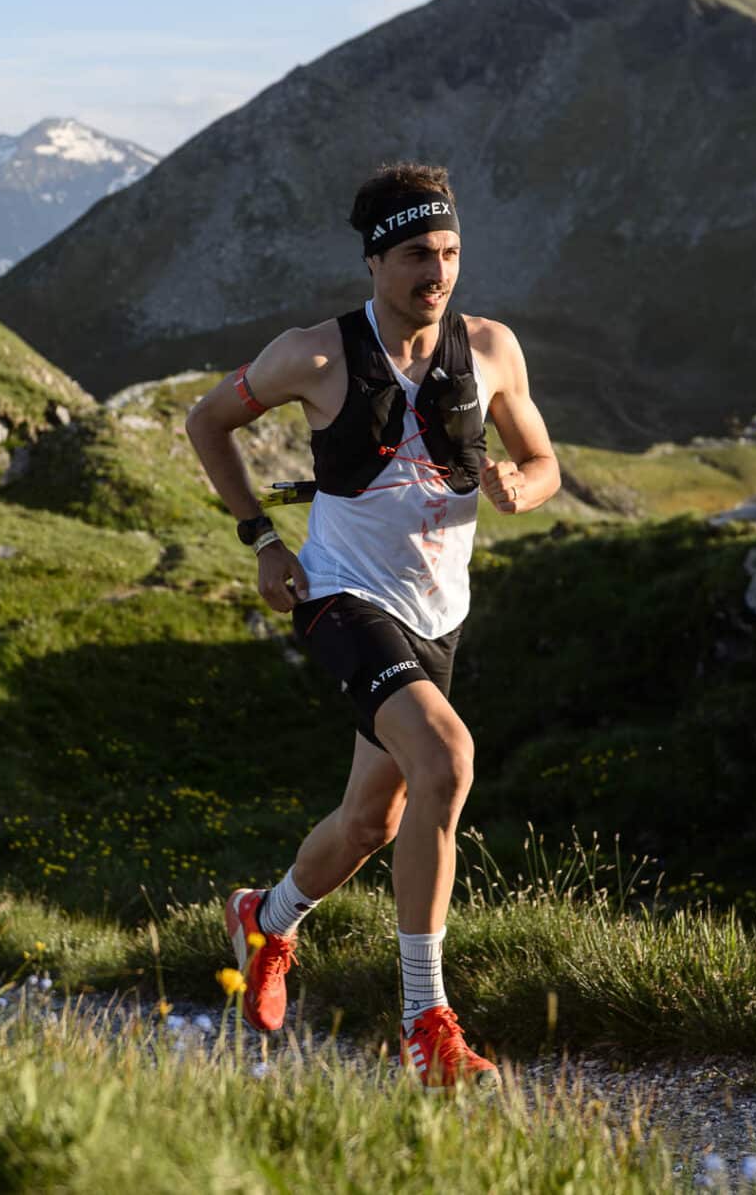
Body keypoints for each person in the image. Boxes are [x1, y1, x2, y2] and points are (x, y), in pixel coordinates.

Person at [183, 161, 560, 1088]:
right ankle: (424, 1023)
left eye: (451, 252)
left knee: (370, 821)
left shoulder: (493, 349)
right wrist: (263, 540)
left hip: (440, 615)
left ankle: (264, 919)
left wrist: (525, 483)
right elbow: (206, 422)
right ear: (374, 261)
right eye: (417, 257)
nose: (437, 274)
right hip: (343, 597)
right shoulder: (313, 354)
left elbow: (545, 457)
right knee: (447, 760)